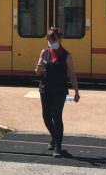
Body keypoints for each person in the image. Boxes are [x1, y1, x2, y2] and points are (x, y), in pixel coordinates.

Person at [35, 27, 80, 158]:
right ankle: (54, 137)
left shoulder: (67, 55)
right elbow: (37, 72)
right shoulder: (44, 52)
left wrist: (76, 92)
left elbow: (72, 75)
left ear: (60, 40)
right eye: (49, 39)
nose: (50, 42)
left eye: (52, 39)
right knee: (46, 116)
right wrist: (39, 68)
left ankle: (58, 146)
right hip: (45, 87)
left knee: (57, 115)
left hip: (59, 90)